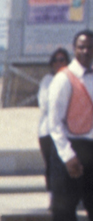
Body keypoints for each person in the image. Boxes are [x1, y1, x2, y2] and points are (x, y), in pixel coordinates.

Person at [46, 29, 93, 221]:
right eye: (81, 47)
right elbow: (54, 123)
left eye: (90, 47)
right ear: (74, 49)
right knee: (65, 208)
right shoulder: (63, 79)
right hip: (70, 149)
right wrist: (68, 156)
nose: (86, 51)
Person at [39, 47, 71, 191]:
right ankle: (52, 195)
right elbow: (45, 104)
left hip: (66, 130)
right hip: (47, 131)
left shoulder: (70, 80)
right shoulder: (47, 80)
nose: (59, 63)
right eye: (56, 60)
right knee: (51, 165)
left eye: (62, 60)